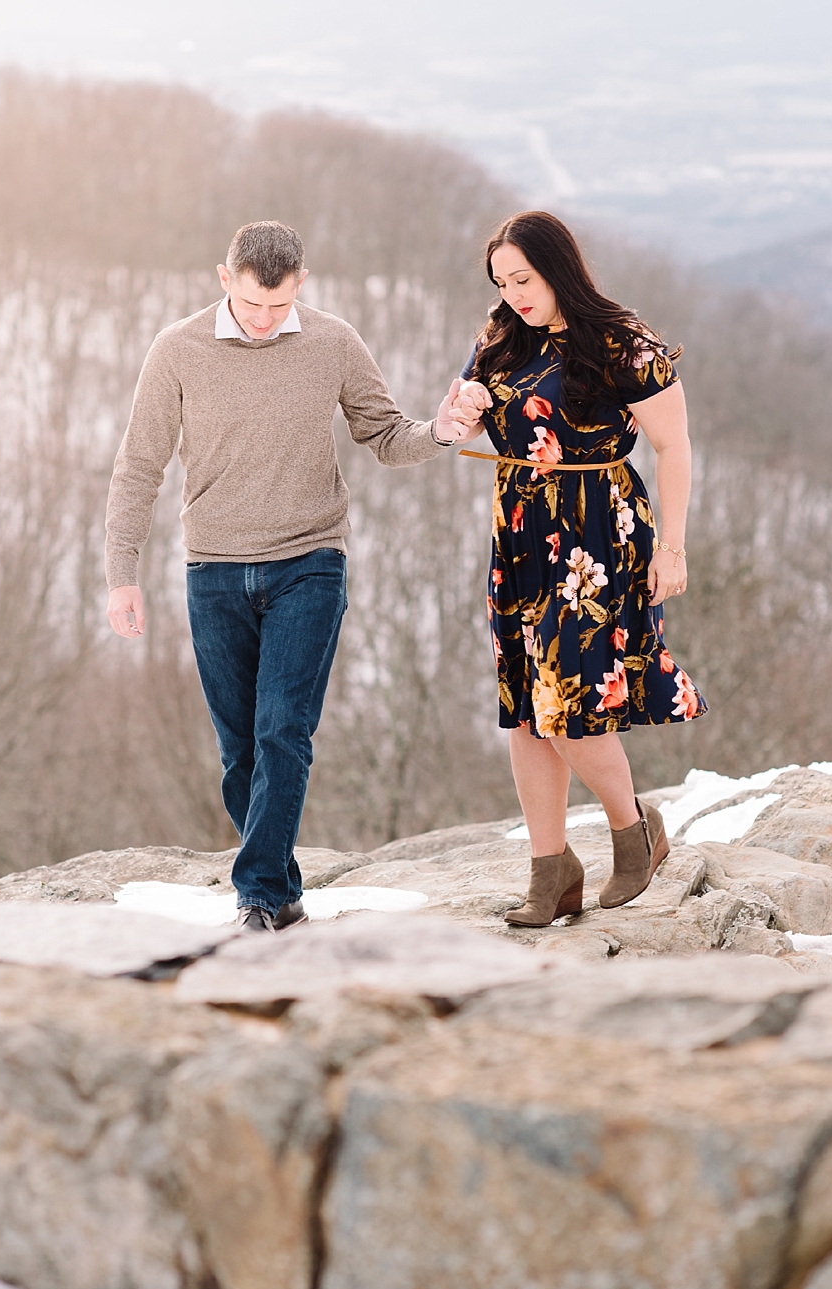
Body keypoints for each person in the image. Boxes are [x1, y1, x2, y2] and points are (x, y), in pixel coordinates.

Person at [106, 220, 487, 934]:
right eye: (252, 303)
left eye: (278, 306)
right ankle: (280, 892)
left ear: (301, 286)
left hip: (310, 562)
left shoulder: (334, 342)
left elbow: (385, 436)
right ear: (226, 279)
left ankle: (253, 893)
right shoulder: (176, 350)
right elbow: (138, 467)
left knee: (284, 728)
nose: (263, 319)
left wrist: (440, 431)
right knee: (239, 747)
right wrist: (121, 572)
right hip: (213, 570)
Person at [461, 210, 706, 928]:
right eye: (503, 283)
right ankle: (552, 870)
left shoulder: (624, 343)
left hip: (598, 536)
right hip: (520, 536)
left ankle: (634, 832)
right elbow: (475, 418)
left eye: (524, 279)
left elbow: (675, 447)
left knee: (569, 701)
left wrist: (674, 548)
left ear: (558, 268)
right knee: (526, 710)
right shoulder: (502, 339)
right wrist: (462, 408)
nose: (513, 295)